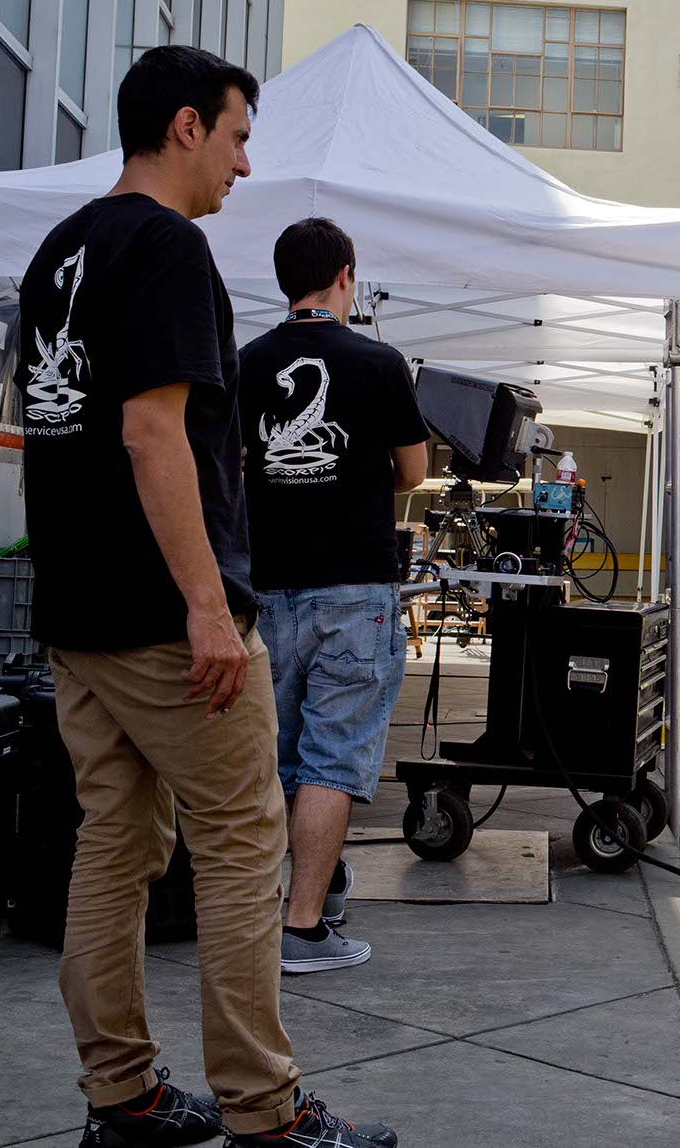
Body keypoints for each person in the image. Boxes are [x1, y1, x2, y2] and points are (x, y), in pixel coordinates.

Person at [17, 46, 396, 1148]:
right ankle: (263, 1110)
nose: (243, 163)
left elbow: (63, 430)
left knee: (113, 842)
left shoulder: (58, 250)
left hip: (79, 611)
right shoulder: (167, 246)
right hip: (161, 613)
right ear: (186, 125)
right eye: (236, 136)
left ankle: (121, 1094)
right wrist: (203, 605)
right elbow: (151, 432)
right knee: (239, 839)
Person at [239, 218, 429, 974]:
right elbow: (412, 472)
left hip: (267, 588)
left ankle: (310, 889)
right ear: (346, 274)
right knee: (333, 759)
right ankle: (303, 928)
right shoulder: (379, 362)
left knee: (281, 757)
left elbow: (233, 467)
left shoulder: (247, 361)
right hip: (354, 589)